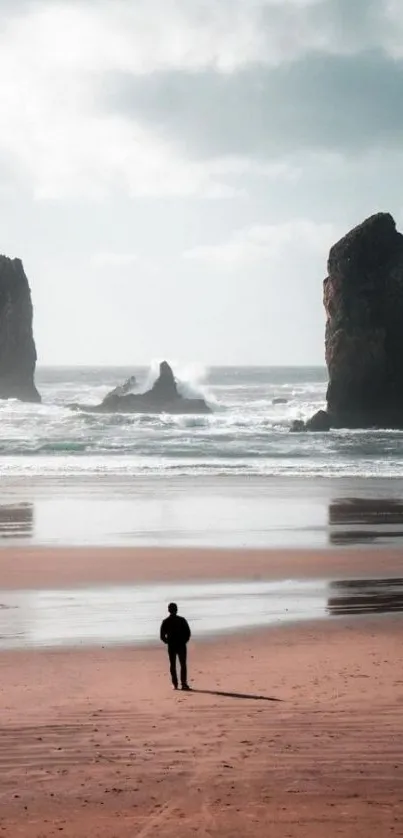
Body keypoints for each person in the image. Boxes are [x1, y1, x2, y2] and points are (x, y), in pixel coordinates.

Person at [160, 602, 191, 691]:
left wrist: (167, 642)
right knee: (183, 665)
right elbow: (188, 633)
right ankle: (184, 684)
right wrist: (184, 641)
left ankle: (175, 684)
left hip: (172, 645)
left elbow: (162, 636)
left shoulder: (166, 621)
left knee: (173, 665)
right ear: (176, 610)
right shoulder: (182, 620)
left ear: (169, 610)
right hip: (181, 645)